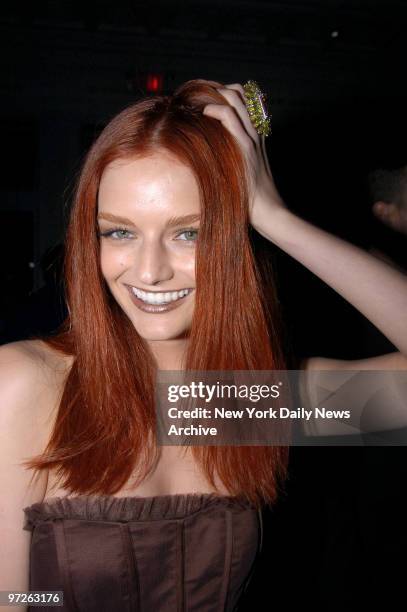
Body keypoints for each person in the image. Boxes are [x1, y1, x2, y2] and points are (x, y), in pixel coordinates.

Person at [1, 78, 406, 612]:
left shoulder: (221, 405)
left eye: (188, 233)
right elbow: (12, 595)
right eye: (119, 232)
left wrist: (276, 218)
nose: (149, 270)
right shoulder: (30, 384)